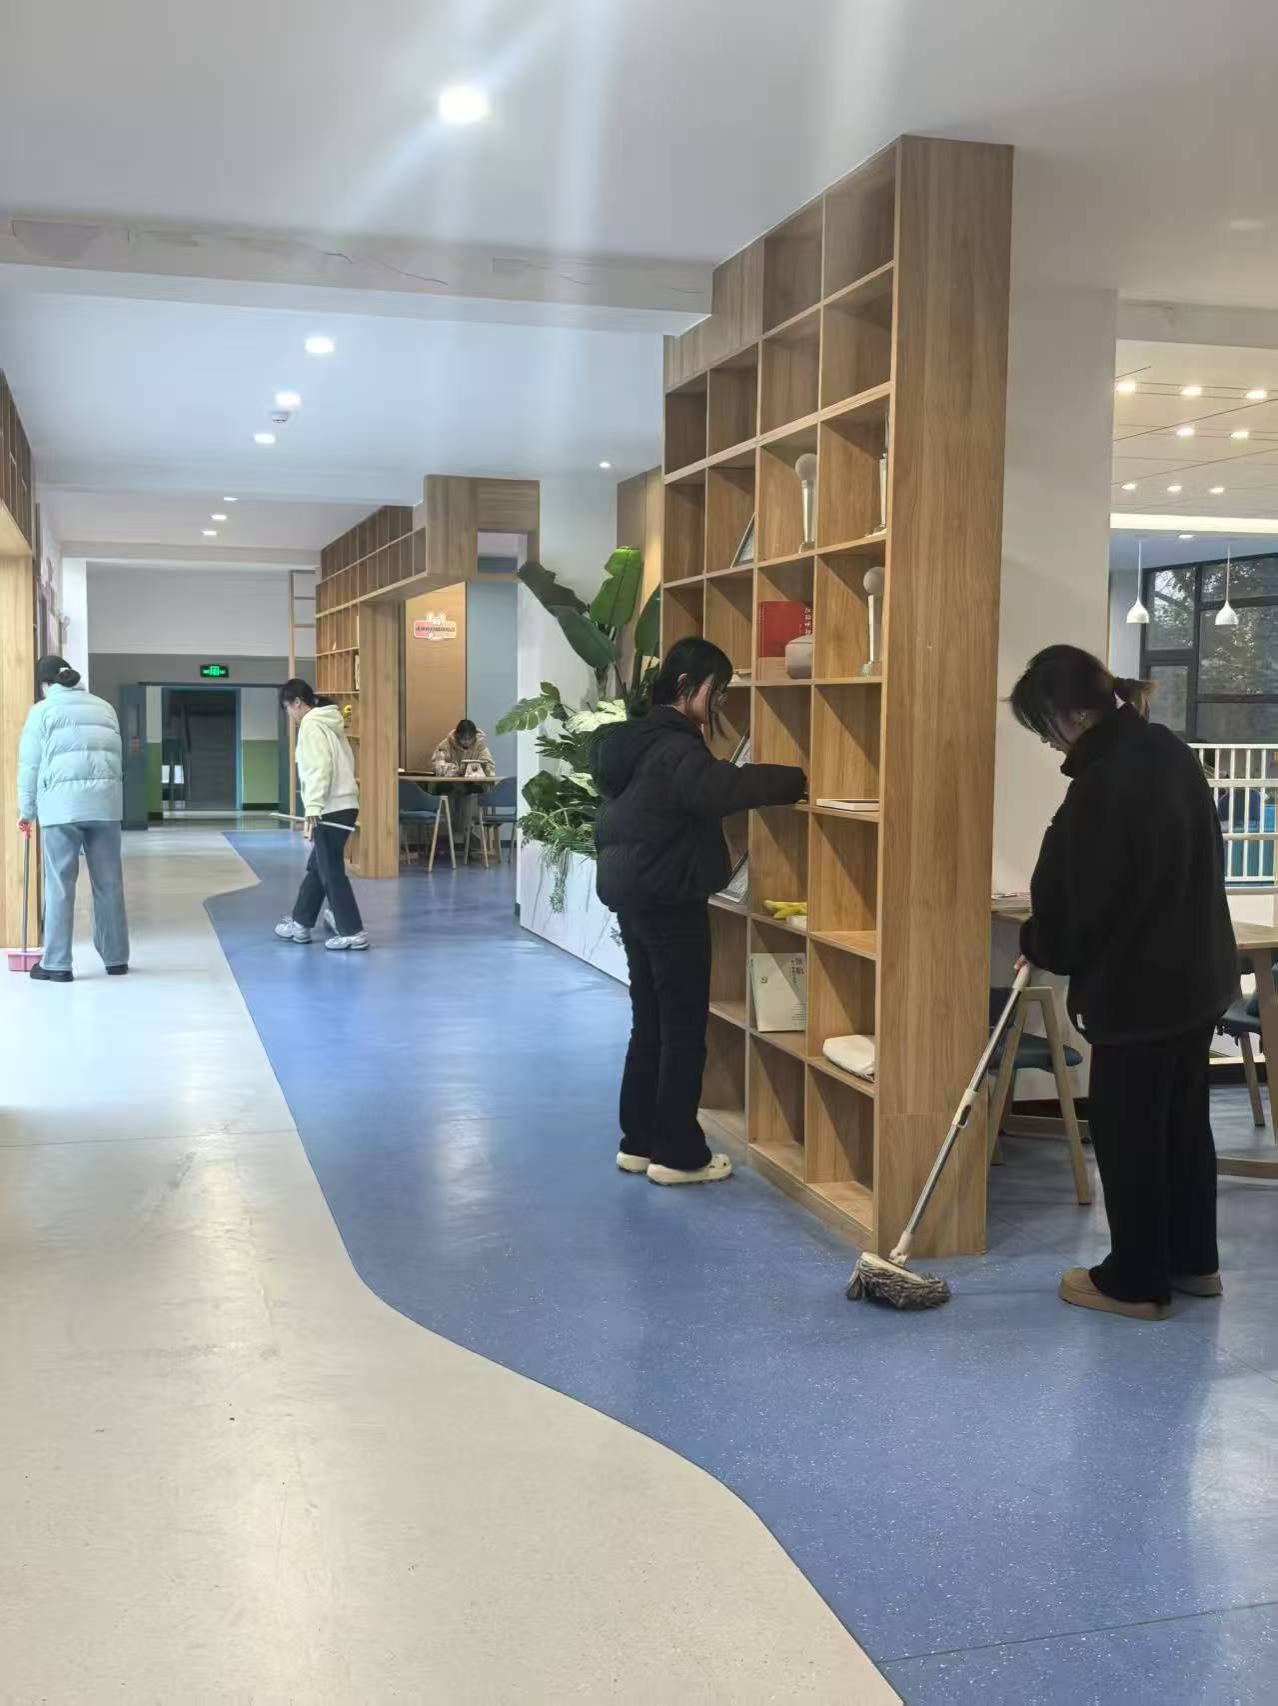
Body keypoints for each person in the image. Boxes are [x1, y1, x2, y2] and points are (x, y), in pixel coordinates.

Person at [1011, 644, 1237, 1320]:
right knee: (1182, 1124)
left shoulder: (1103, 783)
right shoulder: (1169, 751)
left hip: (1139, 991)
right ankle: (1194, 1262)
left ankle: (1135, 1281)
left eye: (1044, 727)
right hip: (1197, 978)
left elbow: (1079, 906)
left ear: (1073, 715)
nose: (1049, 742)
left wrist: (1038, 944)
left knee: (1128, 1132)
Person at [593, 638, 806, 1185]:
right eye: (719, 692)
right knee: (683, 1027)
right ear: (691, 687)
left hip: (635, 899)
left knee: (650, 1021)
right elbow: (720, 788)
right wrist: (796, 780)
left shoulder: (635, 743)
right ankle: (679, 1155)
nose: (721, 705)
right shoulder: (676, 748)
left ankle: (639, 1142)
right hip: (670, 901)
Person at [16, 656, 128, 982]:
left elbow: (30, 767)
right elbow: (116, 759)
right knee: (109, 884)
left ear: (45, 684)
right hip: (105, 808)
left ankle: (57, 964)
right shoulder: (105, 708)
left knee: (60, 885)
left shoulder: (42, 711)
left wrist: (27, 812)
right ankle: (116, 959)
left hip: (61, 809)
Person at [275, 679, 368, 951]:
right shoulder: (329, 722)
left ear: (297, 703)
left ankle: (353, 931)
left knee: (331, 871)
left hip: (330, 808)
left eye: (287, 708)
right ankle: (301, 922)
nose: (289, 715)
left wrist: (313, 807)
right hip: (344, 804)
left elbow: (319, 768)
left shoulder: (311, 725)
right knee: (318, 866)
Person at [431, 718, 497, 850]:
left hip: (470, 787)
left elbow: (489, 766)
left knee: (471, 794)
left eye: (469, 738)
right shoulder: (445, 744)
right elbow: (437, 766)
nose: (466, 742)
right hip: (450, 786)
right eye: (463, 738)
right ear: (457, 736)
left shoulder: (480, 745)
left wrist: (475, 768)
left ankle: (466, 836)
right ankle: (453, 837)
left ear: (474, 737)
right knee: (449, 794)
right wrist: (456, 769)